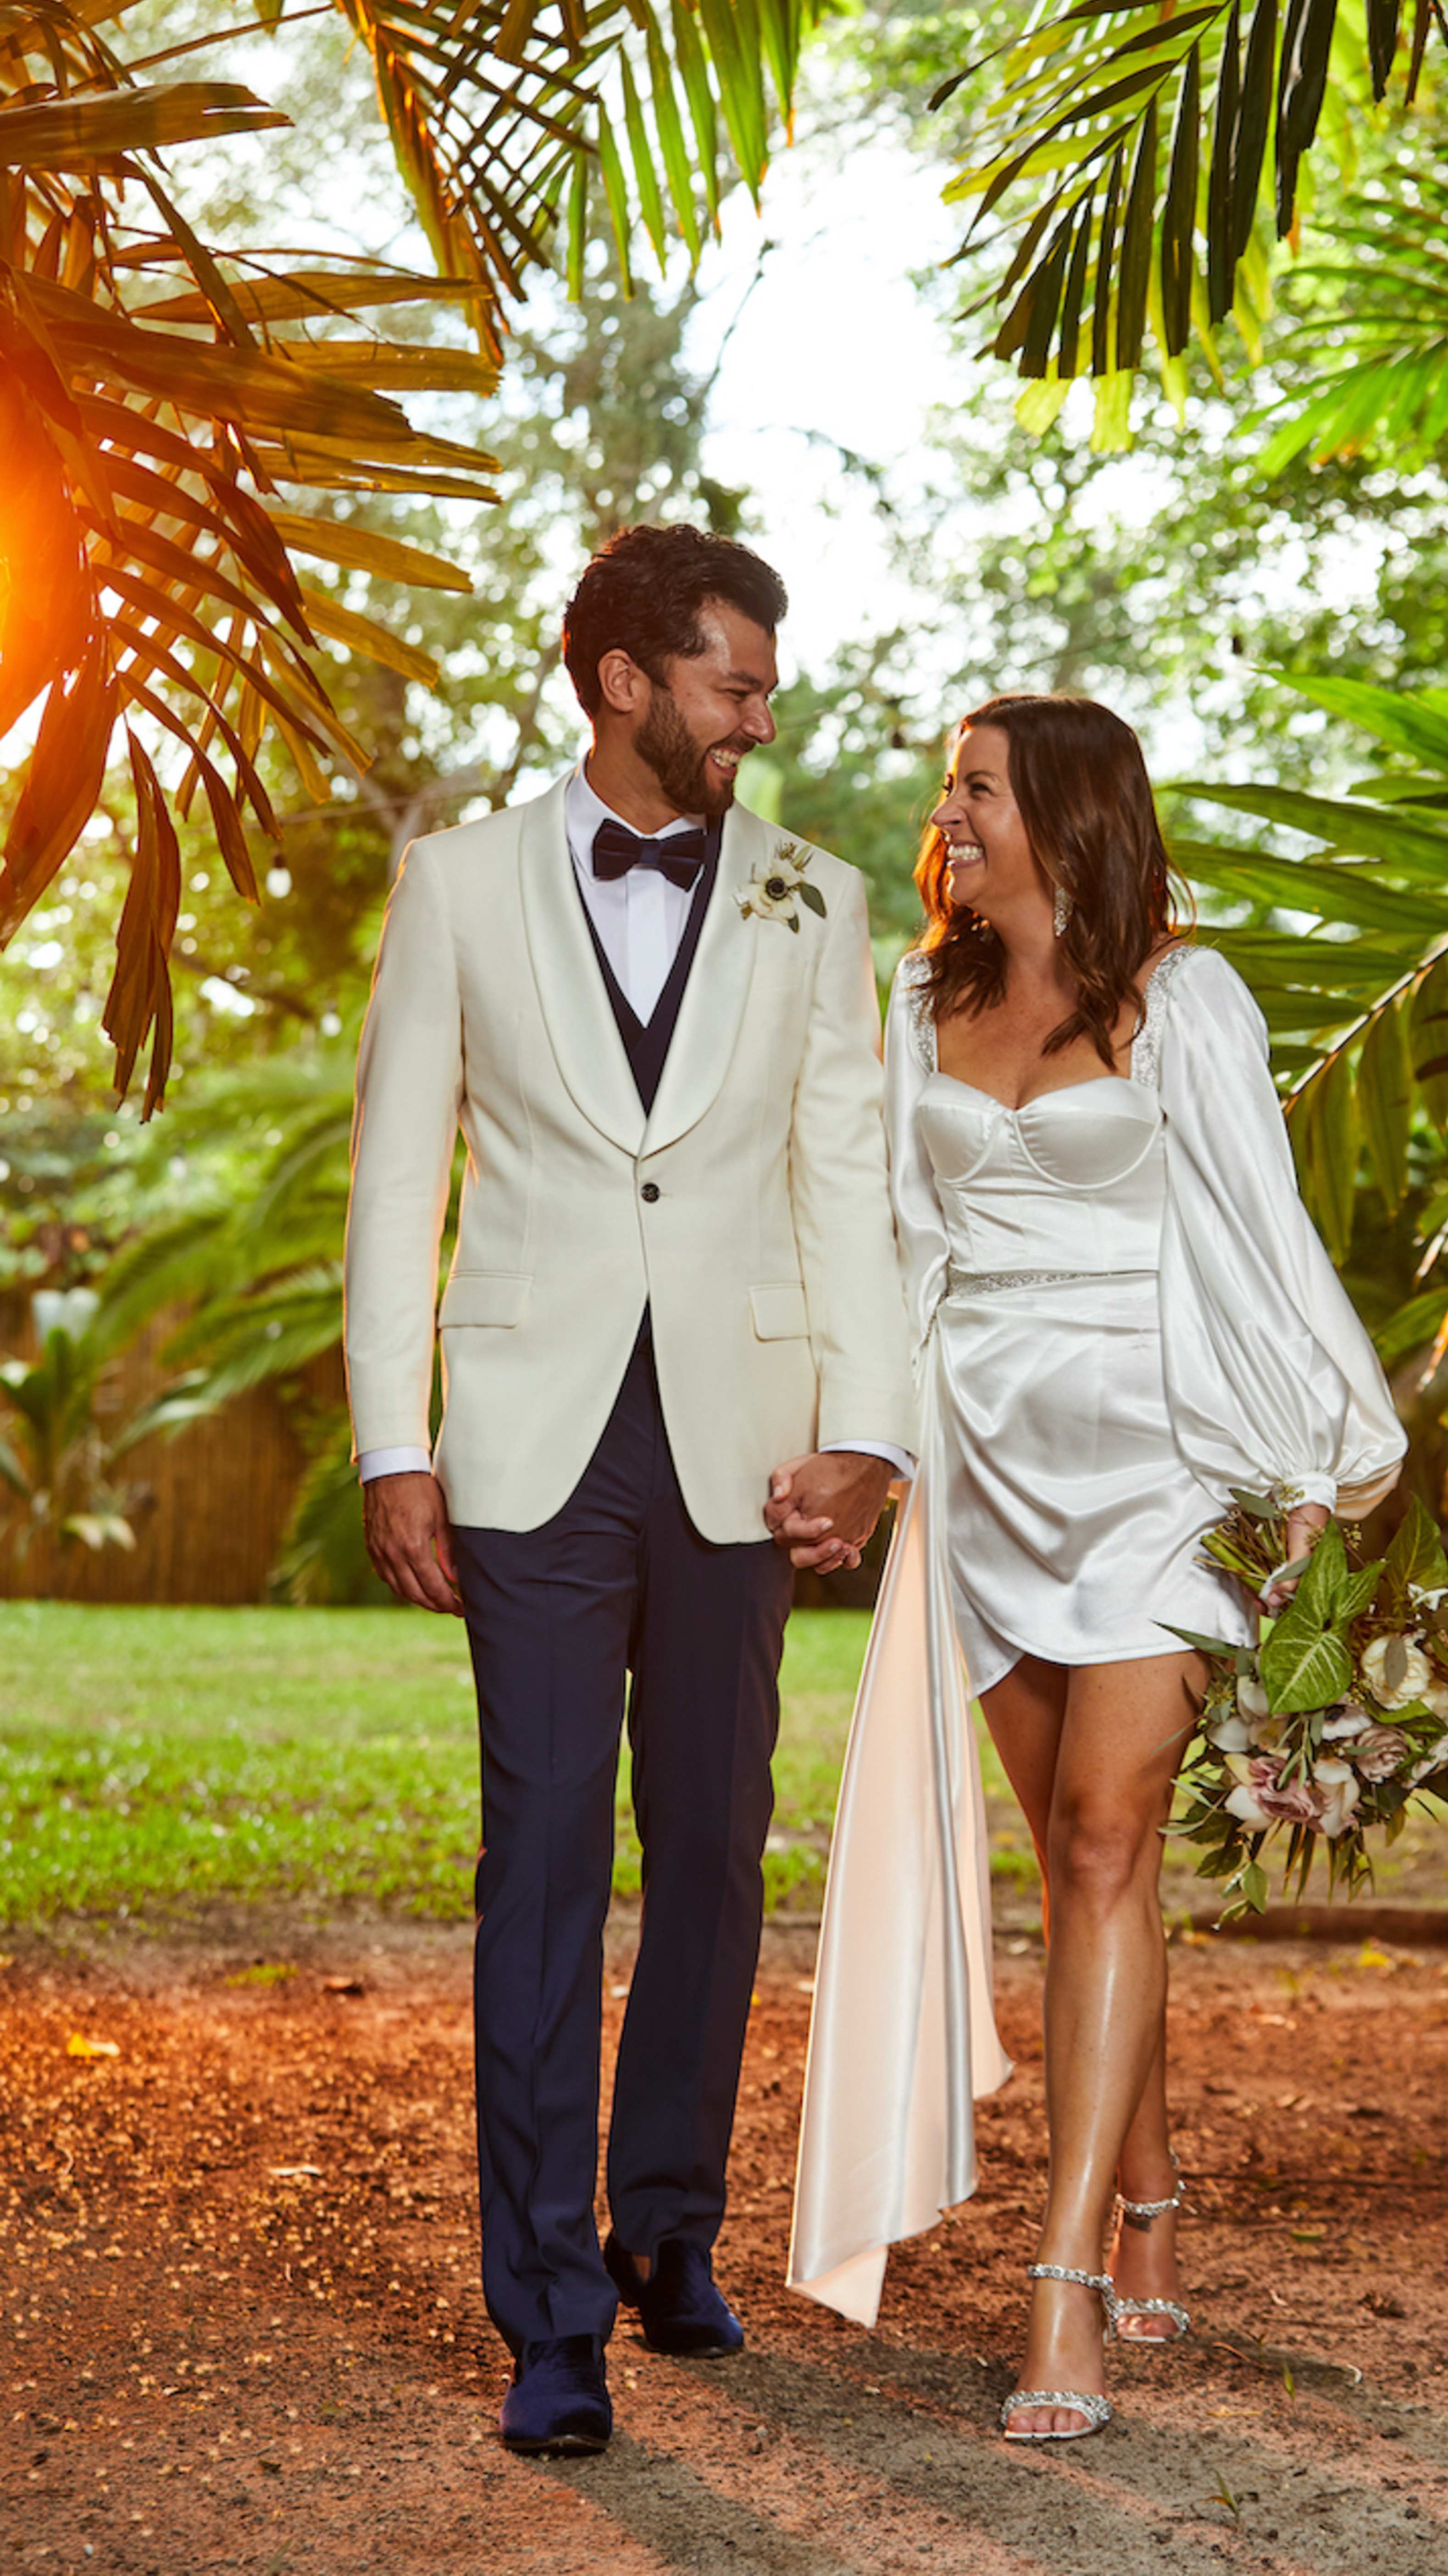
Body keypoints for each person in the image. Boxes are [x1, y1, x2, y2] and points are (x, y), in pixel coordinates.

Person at [343, 523, 915, 2456]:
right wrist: (392, 1440)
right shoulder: (461, 885)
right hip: (526, 1436)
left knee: (714, 1845)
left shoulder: (815, 901)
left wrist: (867, 1424)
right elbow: (395, 1171)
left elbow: (846, 1173)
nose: (763, 712)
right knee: (545, 1865)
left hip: (742, 1442)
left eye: (761, 682)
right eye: (735, 680)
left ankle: (670, 2228)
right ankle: (550, 2311)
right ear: (623, 681)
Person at [787, 692, 1405, 2444]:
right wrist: (870, 1440)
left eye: (976, 788)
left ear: (1064, 810)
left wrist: (1307, 1473)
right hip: (982, 1472)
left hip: (1156, 1465)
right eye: (949, 791)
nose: (947, 814)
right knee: (1075, 1871)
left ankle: (1063, 2286)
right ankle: (1147, 2191)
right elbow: (886, 1242)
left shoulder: (1183, 998)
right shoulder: (923, 1000)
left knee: (1106, 1840)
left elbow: (1256, 1230)